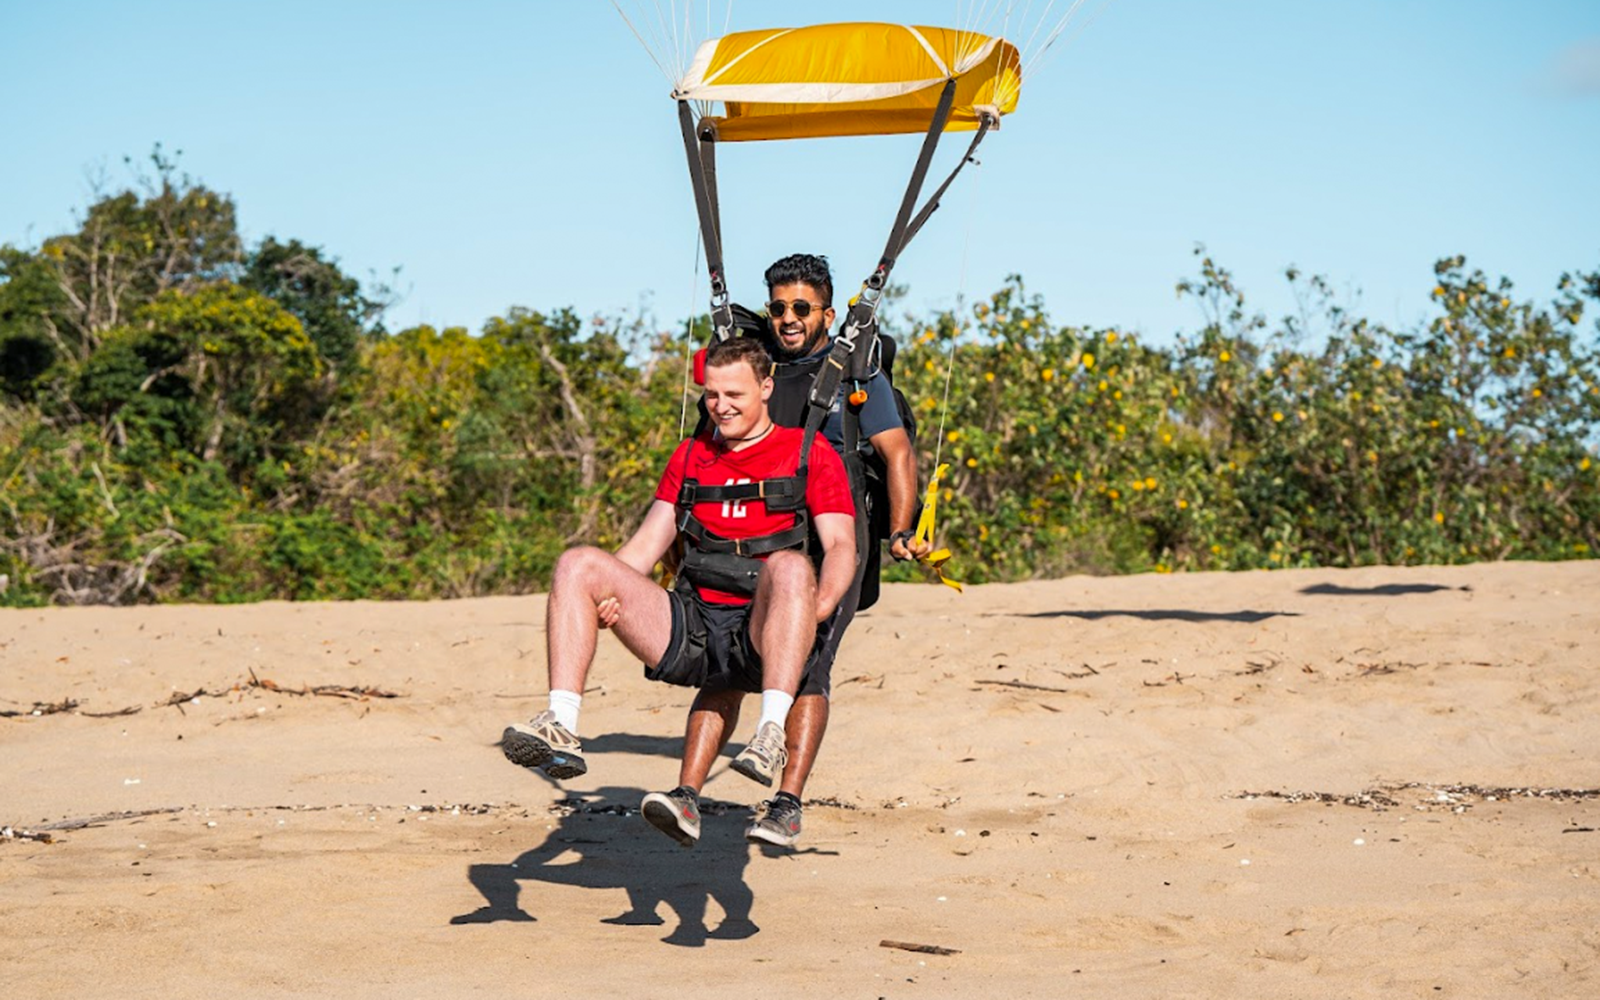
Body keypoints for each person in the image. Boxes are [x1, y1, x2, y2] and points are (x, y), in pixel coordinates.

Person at [499, 335, 857, 850]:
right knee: (578, 564)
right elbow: (645, 546)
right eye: (712, 394)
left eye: (734, 394)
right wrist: (608, 592)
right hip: (692, 623)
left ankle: (771, 733)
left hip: (764, 630)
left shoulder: (808, 452)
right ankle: (562, 724)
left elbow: (842, 544)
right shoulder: (691, 454)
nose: (721, 405)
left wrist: (816, 609)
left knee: (792, 565)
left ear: (766, 388)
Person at [679, 253, 930, 848]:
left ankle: (785, 803)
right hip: (756, 536)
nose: (788, 319)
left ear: (827, 310)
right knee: (730, 659)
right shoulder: (753, 365)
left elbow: (897, 454)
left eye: (801, 308)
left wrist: (899, 531)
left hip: (835, 537)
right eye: (779, 307)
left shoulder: (856, 373)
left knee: (810, 666)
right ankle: (687, 795)